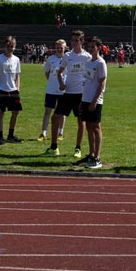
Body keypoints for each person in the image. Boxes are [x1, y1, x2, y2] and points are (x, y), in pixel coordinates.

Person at [45, 29, 90, 158]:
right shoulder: (68, 56)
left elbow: (90, 74)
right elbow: (59, 72)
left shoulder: (86, 56)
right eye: (73, 40)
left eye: (77, 40)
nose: (75, 42)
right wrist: (61, 83)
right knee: (55, 117)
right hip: (68, 93)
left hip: (81, 94)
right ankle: (54, 147)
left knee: (81, 121)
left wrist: (86, 85)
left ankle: (78, 148)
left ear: (82, 41)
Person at [80, 38, 107, 169]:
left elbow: (102, 83)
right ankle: (91, 154)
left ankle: (97, 157)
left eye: (93, 46)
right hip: (86, 98)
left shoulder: (101, 63)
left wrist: (95, 101)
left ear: (99, 48)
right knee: (89, 126)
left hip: (95, 100)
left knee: (96, 127)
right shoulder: (88, 62)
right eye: (89, 46)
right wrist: (83, 99)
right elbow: (87, 80)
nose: (91, 49)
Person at [0, 36, 23, 144]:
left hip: (13, 90)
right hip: (1, 90)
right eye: (8, 46)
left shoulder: (16, 60)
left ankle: (10, 135)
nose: (10, 48)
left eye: (12, 46)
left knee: (15, 112)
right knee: (1, 113)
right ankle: (0, 137)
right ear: (5, 46)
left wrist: (17, 88)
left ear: (15, 47)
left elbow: (17, 76)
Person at [38, 39, 67, 142]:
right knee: (47, 111)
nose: (59, 49)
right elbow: (47, 73)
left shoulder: (68, 59)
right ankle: (43, 133)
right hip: (51, 90)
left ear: (65, 48)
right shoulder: (50, 59)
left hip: (63, 91)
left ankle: (61, 133)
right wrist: (52, 82)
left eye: (61, 48)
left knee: (62, 113)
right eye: (58, 47)